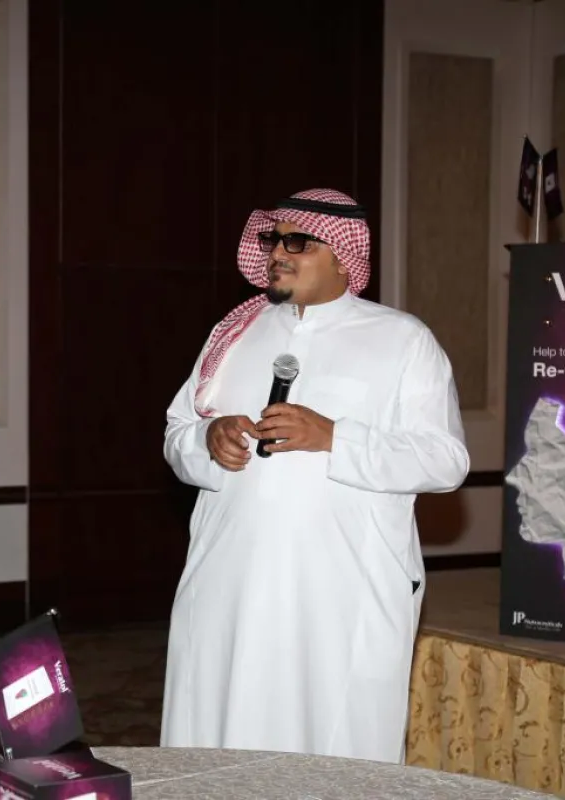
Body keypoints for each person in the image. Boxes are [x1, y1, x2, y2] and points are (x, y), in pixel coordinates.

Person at [159, 189, 469, 763]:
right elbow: (177, 432)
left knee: (328, 751)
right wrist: (207, 438)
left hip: (340, 594)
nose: (278, 252)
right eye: (273, 239)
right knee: (216, 743)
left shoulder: (403, 340)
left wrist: (334, 437)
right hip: (228, 584)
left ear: (344, 257)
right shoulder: (236, 333)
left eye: (298, 241)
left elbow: (445, 459)